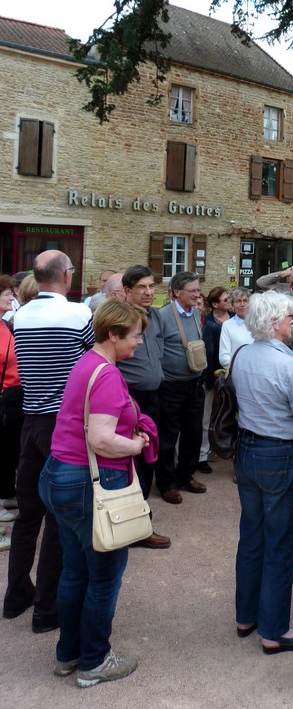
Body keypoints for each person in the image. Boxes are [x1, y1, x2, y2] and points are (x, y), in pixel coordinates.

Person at [39, 300, 157, 687]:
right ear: (113, 334)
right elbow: (103, 439)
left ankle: (68, 655)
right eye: (136, 335)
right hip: (89, 481)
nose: (140, 342)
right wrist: (137, 446)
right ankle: (94, 662)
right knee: (103, 578)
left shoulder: (86, 362)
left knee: (75, 572)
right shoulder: (106, 374)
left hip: (61, 474)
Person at [3, 251, 94, 633]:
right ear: (66, 277)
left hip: (31, 419)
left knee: (28, 514)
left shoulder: (17, 316)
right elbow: (92, 363)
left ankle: (15, 595)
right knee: (59, 517)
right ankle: (46, 609)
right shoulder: (79, 315)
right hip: (64, 423)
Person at [231, 291, 293, 653]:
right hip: (278, 453)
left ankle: (246, 616)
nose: (292, 322)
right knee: (280, 543)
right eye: (288, 317)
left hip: (247, 450)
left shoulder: (242, 355)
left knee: (252, 535)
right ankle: (274, 630)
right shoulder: (290, 366)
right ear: (274, 322)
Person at [117, 265, 169, 550]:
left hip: (153, 397)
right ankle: (135, 526)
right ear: (127, 290)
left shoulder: (156, 316)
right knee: (130, 462)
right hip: (128, 398)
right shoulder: (119, 318)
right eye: (142, 287)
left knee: (149, 458)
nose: (149, 292)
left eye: (151, 286)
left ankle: (139, 521)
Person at [155, 272, 207, 504]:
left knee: (193, 434)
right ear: (176, 292)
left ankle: (186, 475)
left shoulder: (196, 313)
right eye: (192, 291)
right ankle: (166, 483)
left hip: (194, 384)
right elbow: (157, 352)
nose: (197, 295)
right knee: (167, 437)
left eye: (198, 290)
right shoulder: (163, 316)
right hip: (170, 386)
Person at [199, 286, 232, 474]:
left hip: (231, 374)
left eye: (228, 299)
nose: (228, 302)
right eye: (225, 299)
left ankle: (226, 447)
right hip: (211, 374)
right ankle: (203, 453)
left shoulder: (236, 319)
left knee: (227, 413)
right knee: (206, 415)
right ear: (214, 304)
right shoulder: (208, 321)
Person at [0, 277, 22, 531]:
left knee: (6, 452)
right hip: (4, 394)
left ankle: (4, 496)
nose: (12, 297)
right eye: (7, 293)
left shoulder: (5, 324)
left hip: (11, 396)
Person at [256, 264, 293, 345]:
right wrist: (283, 274)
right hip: (278, 344)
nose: (290, 285)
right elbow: (261, 282)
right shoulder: (284, 289)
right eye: (290, 281)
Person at [218, 287, 253, 369]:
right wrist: (242, 368)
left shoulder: (258, 323)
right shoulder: (227, 325)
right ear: (232, 305)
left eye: (245, 301)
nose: (242, 304)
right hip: (237, 373)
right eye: (238, 301)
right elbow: (224, 357)